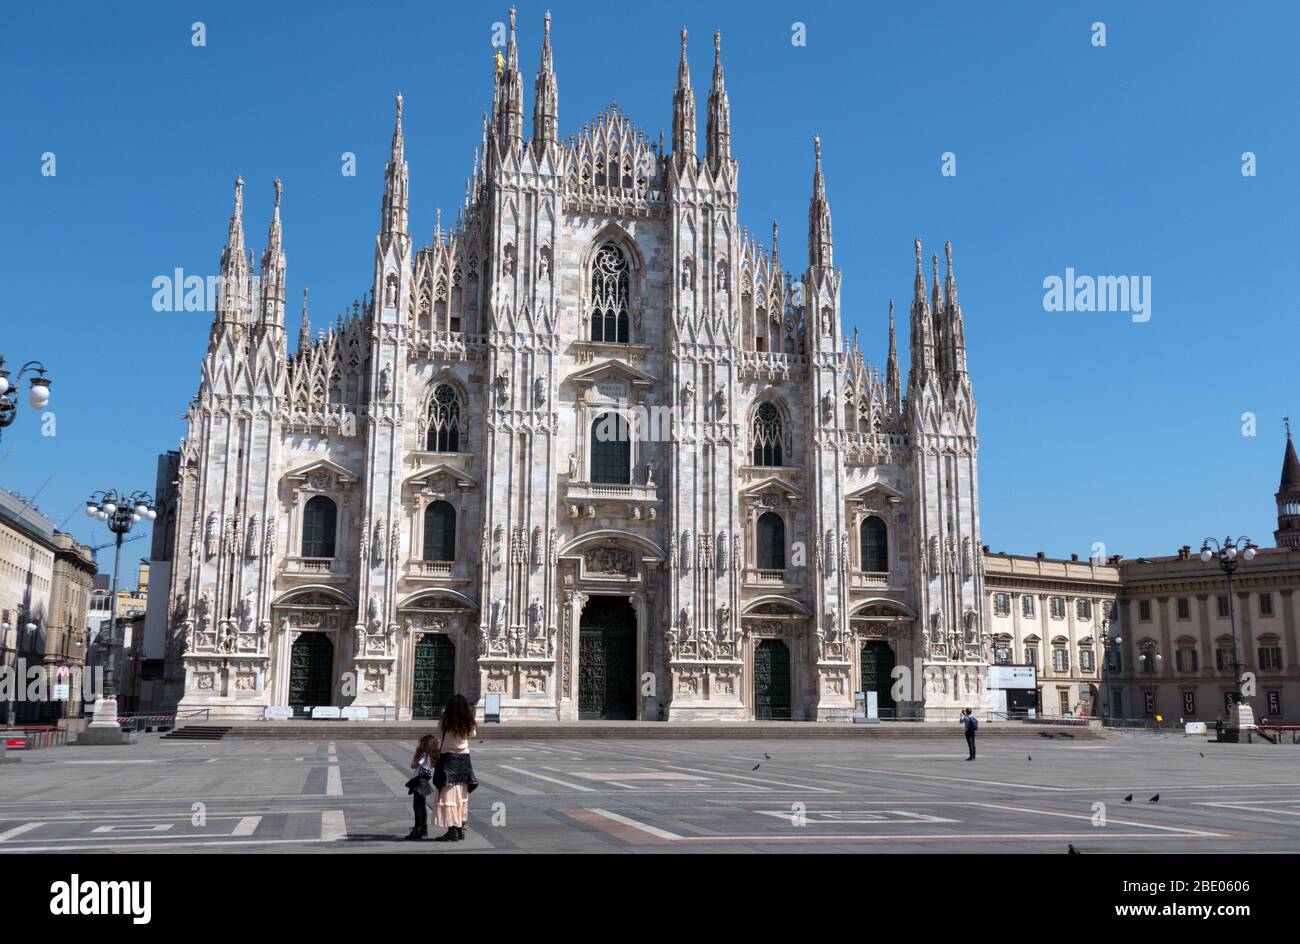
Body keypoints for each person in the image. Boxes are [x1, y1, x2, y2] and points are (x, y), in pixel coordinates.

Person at [432, 694, 478, 842]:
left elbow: (439, 734)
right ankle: (459, 828)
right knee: (461, 794)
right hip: (464, 759)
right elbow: (473, 734)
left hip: (448, 758)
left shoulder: (445, 720)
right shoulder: (468, 721)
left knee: (449, 794)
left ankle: (452, 830)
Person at [405, 733, 437, 840]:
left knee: (417, 806)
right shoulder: (431, 755)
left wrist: (416, 756)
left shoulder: (424, 756)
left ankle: (417, 829)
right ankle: (423, 828)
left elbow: (413, 765)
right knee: (422, 805)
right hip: (424, 780)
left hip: (419, 781)